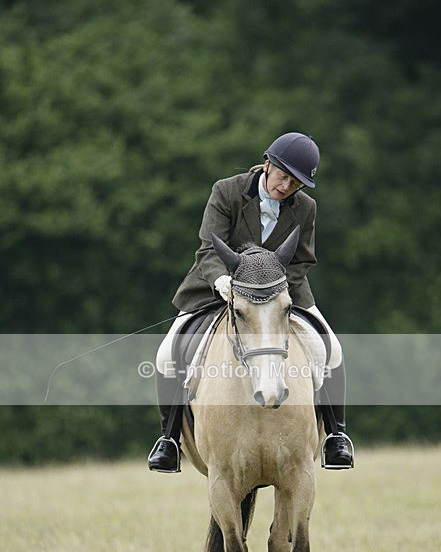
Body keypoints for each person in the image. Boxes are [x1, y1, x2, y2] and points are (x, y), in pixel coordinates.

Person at [148, 132, 354, 472]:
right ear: (267, 164)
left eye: (296, 183)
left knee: (330, 349)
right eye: (283, 176)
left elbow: (302, 261)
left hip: (281, 295)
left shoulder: (306, 208)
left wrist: (272, 291)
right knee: (167, 354)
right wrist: (223, 282)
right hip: (218, 288)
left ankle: (336, 436)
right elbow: (207, 249)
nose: (286, 186)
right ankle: (168, 439)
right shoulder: (226, 191)